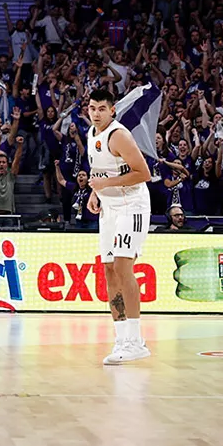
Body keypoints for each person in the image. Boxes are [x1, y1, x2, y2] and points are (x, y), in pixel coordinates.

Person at [85, 88, 154, 364]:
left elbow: (144, 173)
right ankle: (122, 338)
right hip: (110, 208)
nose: (96, 113)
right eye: (92, 108)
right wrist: (95, 192)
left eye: (102, 108)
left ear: (112, 110)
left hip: (131, 206)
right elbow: (101, 170)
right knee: (109, 270)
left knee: (124, 267)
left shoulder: (119, 135)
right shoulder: (91, 134)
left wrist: (106, 185)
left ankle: (136, 340)